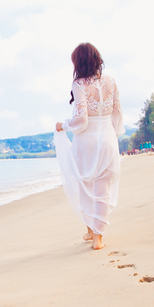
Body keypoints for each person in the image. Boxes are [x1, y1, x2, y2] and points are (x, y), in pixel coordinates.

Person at [54, 43, 124, 250]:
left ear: (78, 62)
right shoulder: (111, 81)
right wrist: (113, 134)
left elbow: (81, 120)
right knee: (103, 188)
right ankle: (97, 237)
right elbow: (117, 112)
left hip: (86, 141)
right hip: (108, 138)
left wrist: (63, 125)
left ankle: (91, 230)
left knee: (85, 186)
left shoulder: (79, 84)